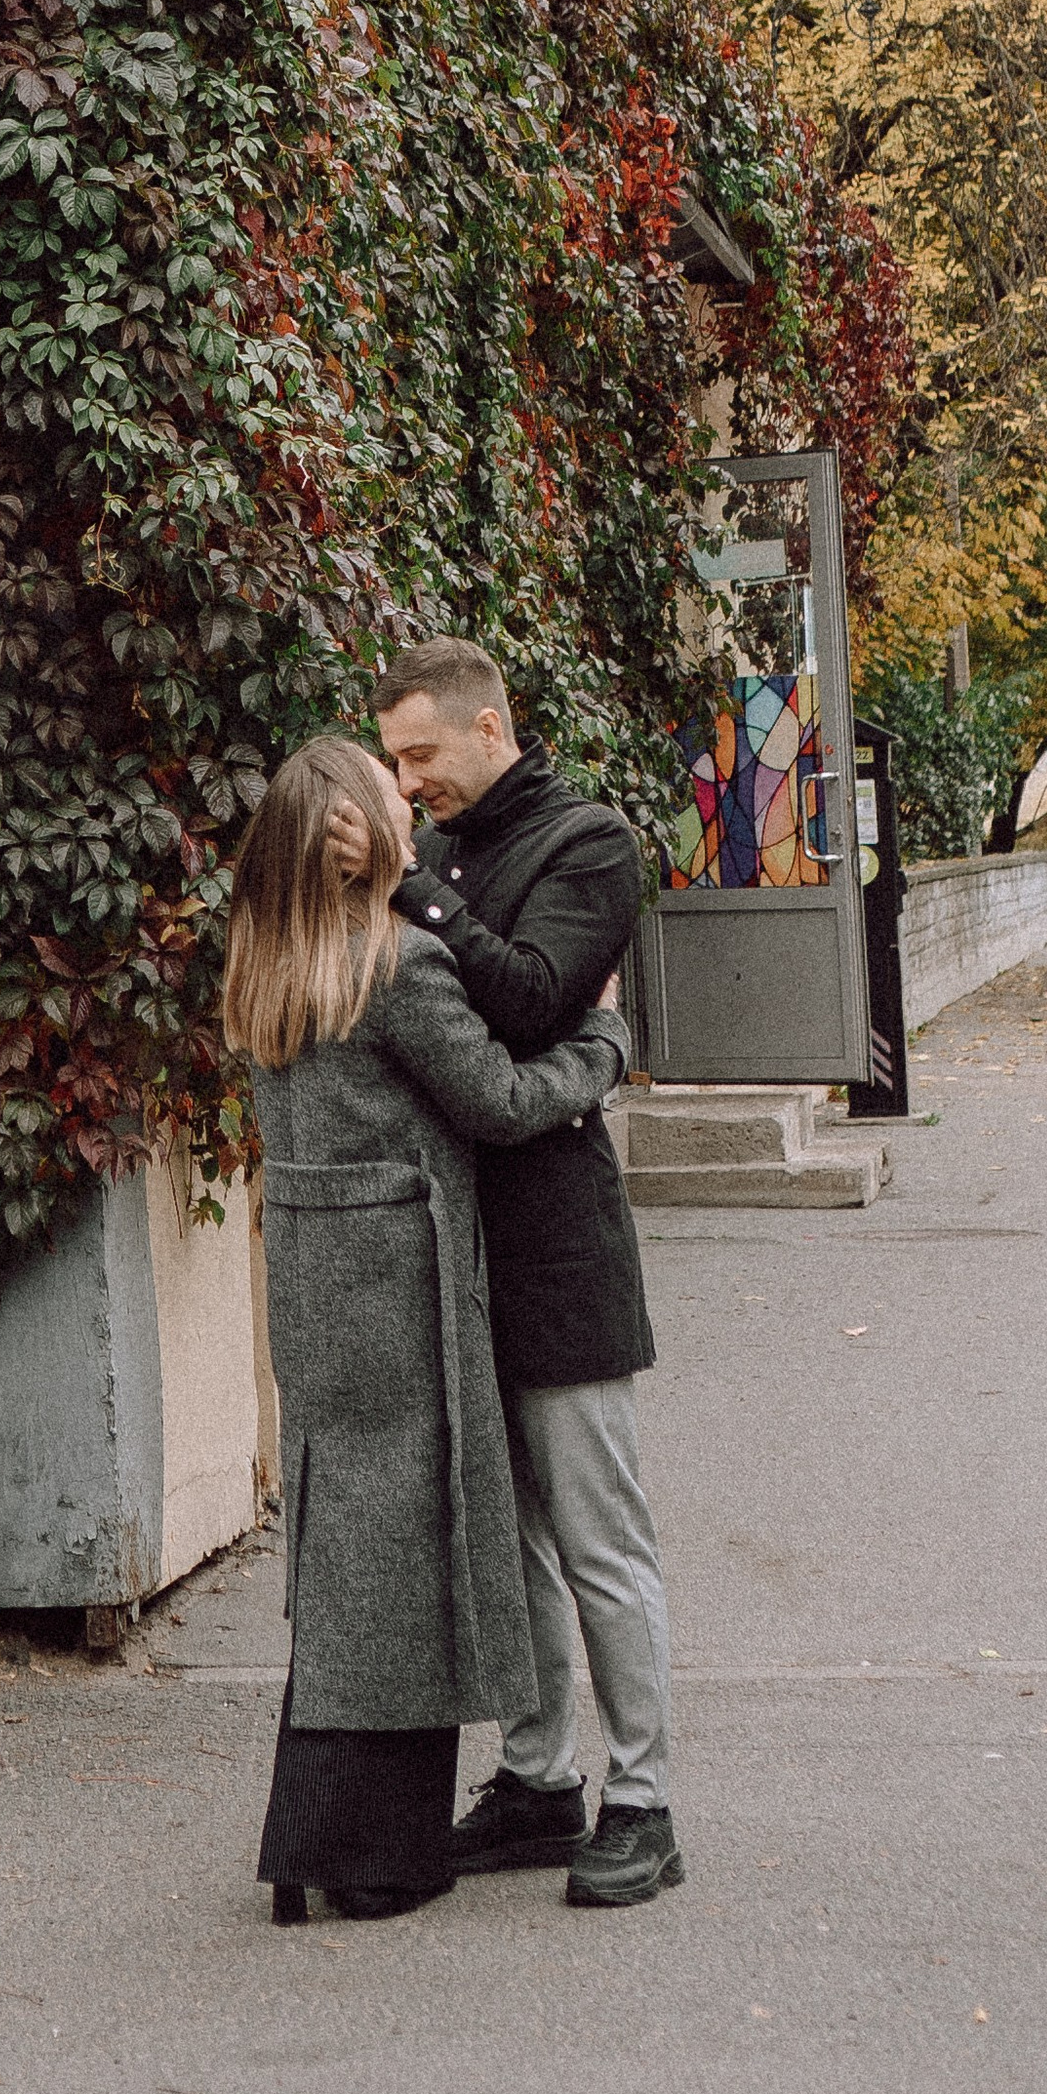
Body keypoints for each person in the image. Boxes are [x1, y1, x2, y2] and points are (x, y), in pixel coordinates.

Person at [225, 730, 634, 1929]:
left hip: (314, 1279)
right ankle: (368, 1853)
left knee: (347, 1547)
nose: (409, 803)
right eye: (385, 792)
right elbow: (502, 1104)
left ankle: (318, 1835)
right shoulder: (396, 962)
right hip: (404, 1281)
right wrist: (601, 1048)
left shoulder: (266, 960)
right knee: (406, 1554)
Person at [349, 635, 683, 1912]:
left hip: (555, 1245)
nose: (406, 779)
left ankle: (643, 1802)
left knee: (600, 1540)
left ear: (492, 729)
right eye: (392, 760)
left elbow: (537, 1006)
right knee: (518, 1543)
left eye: (420, 754)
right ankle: (542, 1782)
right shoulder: (439, 849)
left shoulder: (588, 843)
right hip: (455, 1244)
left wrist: (421, 902)